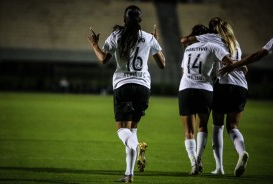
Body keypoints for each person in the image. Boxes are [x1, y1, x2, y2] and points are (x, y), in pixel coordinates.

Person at [88, 5, 165, 183]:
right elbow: (162, 64)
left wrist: (94, 45)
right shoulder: (148, 37)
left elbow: (103, 59)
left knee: (123, 130)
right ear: (140, 21)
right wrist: (155, 42)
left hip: (123, 85)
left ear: (124, 20)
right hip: (143, 87)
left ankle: (137, 147)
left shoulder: (116, 35)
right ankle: (129, 175)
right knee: (132, 130)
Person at [182, 17, 250, 177]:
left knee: (217, 126)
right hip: (241, 86)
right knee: (233, 126)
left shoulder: (212, 38)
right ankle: (242, 152)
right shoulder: (235, 43)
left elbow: (185, 40)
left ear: (213, 30)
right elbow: (239, 64)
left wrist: (192, 38)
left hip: (222, 85)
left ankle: (219, 167)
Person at [178, 24, 234, 175]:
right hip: (205, 89)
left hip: (186, 88)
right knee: (202, 126)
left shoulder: (188, 49)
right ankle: (199, 158)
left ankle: (193, 162)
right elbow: (228, 62)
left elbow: (184, 70)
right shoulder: (212, 46)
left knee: (188, 131)